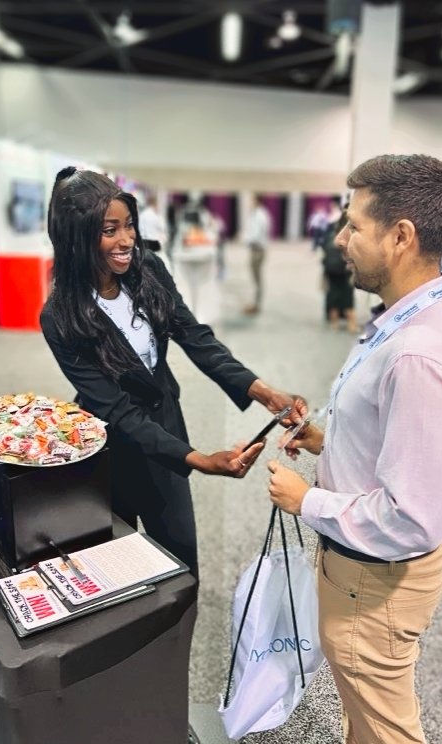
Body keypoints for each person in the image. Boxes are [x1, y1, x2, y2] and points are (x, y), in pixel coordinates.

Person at [267, 154, 442, 744]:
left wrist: (305, 499)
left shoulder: (420, 355)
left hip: (375, 581)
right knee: (365, 716)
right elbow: (394, 433)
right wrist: (328, 439)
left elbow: (410, 518)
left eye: (353, 226)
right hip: (366, 576)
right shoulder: (417, 318)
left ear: (401, 236)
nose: (340, 239)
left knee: (387, 731)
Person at [41, 167, 306, 578]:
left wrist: (264, 392)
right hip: (110, 445)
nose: (127, 239)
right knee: (117, 562)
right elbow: (117, 410)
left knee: (181, 558)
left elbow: (195, 337)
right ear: (76, 235)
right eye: (109, 230)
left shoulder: (149, 272)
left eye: (129, 225)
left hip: (166, 421)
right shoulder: (60, 316)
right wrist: (201, 460)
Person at [321, 210, 358, 333]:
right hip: (344, 270)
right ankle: (351, 325)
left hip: (331, 271)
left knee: (333, 294)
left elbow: (324, 254)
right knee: (347, 296)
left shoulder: (330, 235)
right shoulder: (348, 235)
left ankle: (334, 322)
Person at [243, 194, 271, 315]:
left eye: (251, 200)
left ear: (257, 201)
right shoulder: (256, 214)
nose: (249, 203)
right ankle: (254, 304)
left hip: (258, 250)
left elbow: (256, 235)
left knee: (256, 279)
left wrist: (244, 239)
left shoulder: (260, 216)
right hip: (255, 249)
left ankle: (256, 305)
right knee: (255, 279)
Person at [139, 194, 170, 270]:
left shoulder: (142, 215)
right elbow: (162, 229)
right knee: (160, 262)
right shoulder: (156, 216)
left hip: (144, 242)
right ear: (155, 204)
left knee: (146, 264)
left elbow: (139, 229)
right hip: (154, 243)